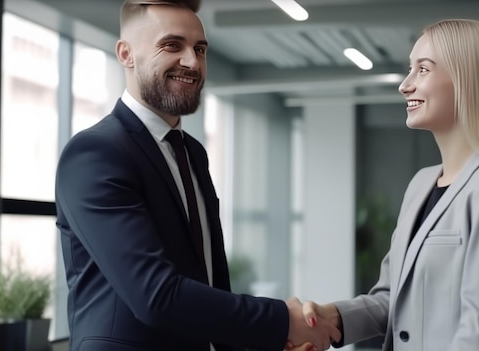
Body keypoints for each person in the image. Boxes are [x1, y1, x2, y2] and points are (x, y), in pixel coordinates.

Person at [55, 1, 340, 350]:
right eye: (172, 45)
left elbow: (209, 282)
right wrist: (282, 322)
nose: (192, 62)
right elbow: (155, 295)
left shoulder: (192, 152)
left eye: (200, 49)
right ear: (126, 54)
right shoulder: (96, 154)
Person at [289, 19, 479, 351]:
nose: (405, 85)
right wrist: (333, 316)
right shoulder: (420, 185)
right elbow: (392, 298)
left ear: (467, 80)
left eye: (423, 69)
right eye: (409, 69)